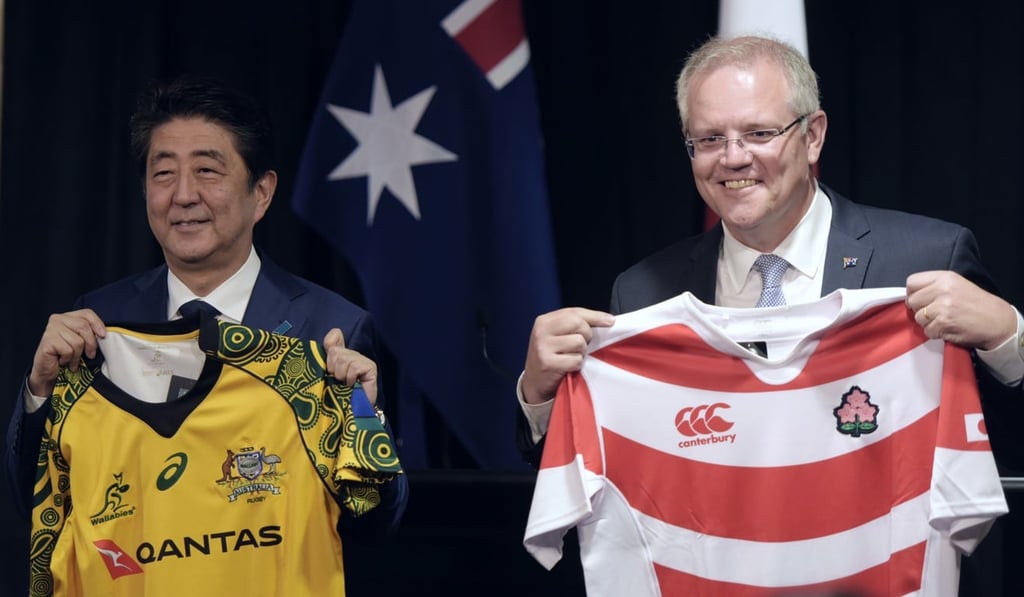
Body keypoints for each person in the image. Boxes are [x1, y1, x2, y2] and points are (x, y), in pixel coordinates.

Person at [517, 35, 1022, 596]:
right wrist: (540, 397)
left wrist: (1009, 338)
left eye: (759, 133)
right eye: (709, 139)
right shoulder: (641, 295)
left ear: (813, 136)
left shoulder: (926, 262)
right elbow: (601, 470)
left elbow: (998, 443)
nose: (733, 158)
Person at [3, 74, 408, 577]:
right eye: (163, 174)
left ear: (261, 192)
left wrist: (365, 424)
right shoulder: (96, 324)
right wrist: (39, 393)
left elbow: (376, 525)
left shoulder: (331, 329)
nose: (183, 195)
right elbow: (35, 507)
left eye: (208, 171)